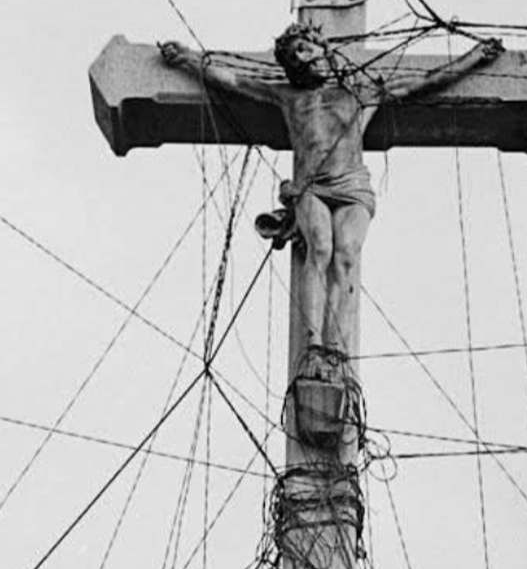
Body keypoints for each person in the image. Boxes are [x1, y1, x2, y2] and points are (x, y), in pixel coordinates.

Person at [160, 25, 504, 354]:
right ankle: (313, 343)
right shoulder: (287, 96)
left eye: (304, 48)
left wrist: (474, 57)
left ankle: (335, 346)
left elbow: (426, 82)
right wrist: (189, 59)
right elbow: (234, 81)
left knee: (346, 255)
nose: (300, 58)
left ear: (322, 48)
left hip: (352, 185)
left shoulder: (361, 90)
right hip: (313, 187)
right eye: (293, 57)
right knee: (320, 248)